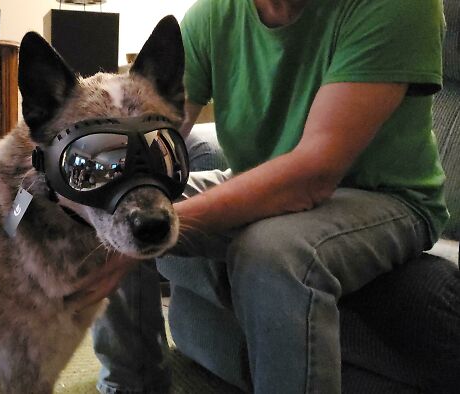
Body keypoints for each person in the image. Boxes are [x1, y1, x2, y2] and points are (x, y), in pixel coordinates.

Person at [79, 0, 449, 393]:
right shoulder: (212, 16)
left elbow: (314, 173)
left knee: (270, 252)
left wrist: (154, 224)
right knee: (100, 205)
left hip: (382, 196)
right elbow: (155, 143)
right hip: (256, 176)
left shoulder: (400, 6)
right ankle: (131, 384)